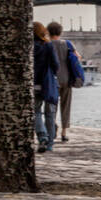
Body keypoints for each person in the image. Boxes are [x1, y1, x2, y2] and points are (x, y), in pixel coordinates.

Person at [47, 21, 79, 142]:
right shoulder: (68, 44)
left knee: (51, 106)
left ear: (48, 32)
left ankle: (52, 126)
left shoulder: (47, 44)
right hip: (67, 79)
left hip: (51, 80)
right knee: (66, 106)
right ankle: (64, 133)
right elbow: (78, 58)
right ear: (60, 32)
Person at [32, 22, 59, 153]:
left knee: (36, 111)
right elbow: (55, 64)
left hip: (33, 83)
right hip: (47, 83)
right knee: (50, 114)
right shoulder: (48, 45)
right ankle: (49, 144)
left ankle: (42, 136)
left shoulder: (28, 46)